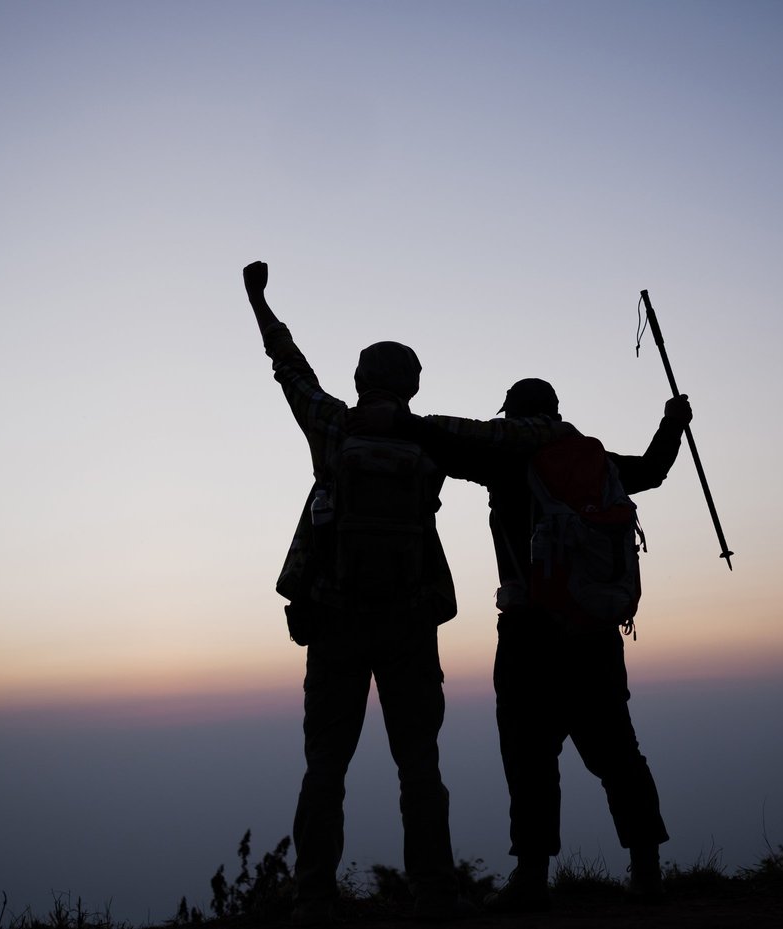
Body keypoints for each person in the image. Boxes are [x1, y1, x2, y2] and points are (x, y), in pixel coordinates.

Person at [241, 261, 562, 921]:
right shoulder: (430, 435)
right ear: (413, 384)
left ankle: (313, 894)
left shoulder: (334, 427)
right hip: (410, 623)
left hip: (335, 621)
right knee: (419, 762)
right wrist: (556, 429)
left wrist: (259, 302)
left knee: (325, 762)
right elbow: (510, 436)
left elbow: (289, 369)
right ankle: (436, 892)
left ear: (361, 381)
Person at [401, 377, 690, 910]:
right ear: (556, 412)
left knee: (529, 754)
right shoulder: (596, 465)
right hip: (593, 629)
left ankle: (532, 878)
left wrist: (396, 417)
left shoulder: (505, 463)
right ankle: (647, 870)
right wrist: (673, 422)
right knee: (616, 751)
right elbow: (652, 471)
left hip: (527, 631)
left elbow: (446, 446)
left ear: (513, 417)